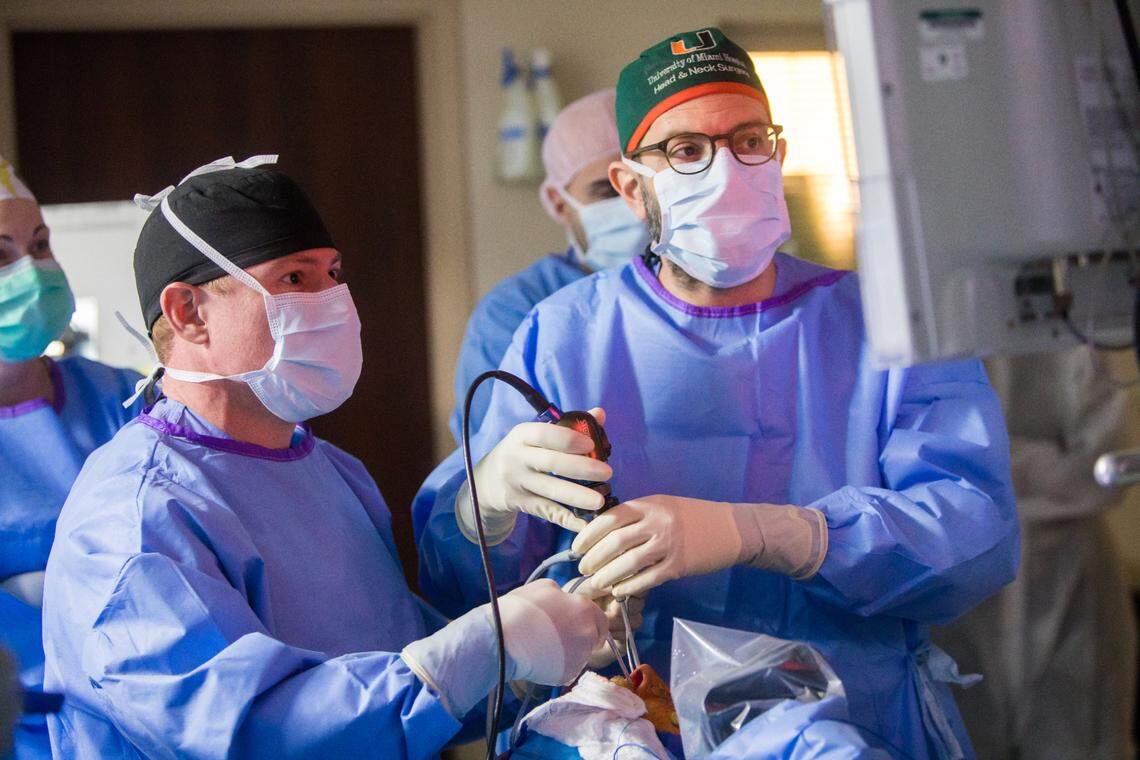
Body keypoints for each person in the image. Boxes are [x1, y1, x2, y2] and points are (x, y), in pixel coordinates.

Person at [415, 29, 1019, 760]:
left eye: (749, 139)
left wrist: (771, 533)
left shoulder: (887, 325)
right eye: (687, 151)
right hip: (625, 730)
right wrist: (487, 508)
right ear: (633, 187)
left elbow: (974, 529)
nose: (726, 167)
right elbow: (468, 593)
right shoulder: (565, 334)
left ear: (779, 152)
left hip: (853, 721)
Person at [41, 156, 607, 759]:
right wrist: (478, 651)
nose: (333, 299)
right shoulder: (134, 517)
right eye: (294, 279)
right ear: (188, 313)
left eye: (334, 273)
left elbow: (397, 676)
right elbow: (246, 734)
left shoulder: (326, 468)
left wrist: (527, 660)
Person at [0, 156, 146, 760]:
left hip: (145, 715)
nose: (33, 273)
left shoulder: (122, 397)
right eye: (1, 255)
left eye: (40, 246)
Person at [935, 347, 1138, 759]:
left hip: (1069, 578)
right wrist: (1039, 466)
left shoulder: (1083, 323)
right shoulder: (904, 322)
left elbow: (1106, 472)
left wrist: (977, 466)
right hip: (954, 583)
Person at [451, 88, 649, 439]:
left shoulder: (700, 293)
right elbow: (487, 455)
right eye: (606, 191)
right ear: (559, 202)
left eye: (641, 186)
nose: (632, 204)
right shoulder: (515, 311)